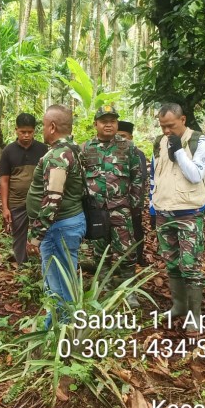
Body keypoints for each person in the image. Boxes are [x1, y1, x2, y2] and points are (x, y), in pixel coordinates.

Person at [151, 103, 205, 336]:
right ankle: (178, 306)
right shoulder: (159, 142)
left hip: (188, 213)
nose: (166, 131)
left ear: (183, 119)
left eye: (171, 126)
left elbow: (195, 176)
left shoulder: (199, 141)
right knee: (172, 263)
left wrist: (178, 151)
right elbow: (156, 174)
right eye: (162, 126)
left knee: (191, 266)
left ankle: (195, 317)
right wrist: (152, 206)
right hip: (163, 211)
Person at [26, 105, 85, 324]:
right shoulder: (74, 149)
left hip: (58, 226)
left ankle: (63, 332)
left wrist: (36, 235)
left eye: (43, 125)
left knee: (58, 281)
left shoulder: (58, 155)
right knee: (63, 278)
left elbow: (53, 198)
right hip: (68, 222)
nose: (42, 130)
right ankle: (58, 323)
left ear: (52, 127)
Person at [81, 106, 143, 289]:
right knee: (100, 250)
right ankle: (104, 286)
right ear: (96, 124)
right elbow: (79, 179)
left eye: (113, 121)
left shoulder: (128, 147)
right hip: (96, 210)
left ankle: (128, 288)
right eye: (104, 121)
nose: (109, 125)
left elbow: (137, 176)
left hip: (121, 207)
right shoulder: (85, 148)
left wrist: (135, 206)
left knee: (127, 249)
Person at [0, 113, 49, 266]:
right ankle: (22, 265)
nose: (26, 135)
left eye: (30, 132)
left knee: (42, 232)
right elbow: (4, 181)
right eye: (23, 132)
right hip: (16, 201)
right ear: (16, 130)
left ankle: (42, 264)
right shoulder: (8, 151)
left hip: (39, 200)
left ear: (34, 131)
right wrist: (5, 207)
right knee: (18, 234)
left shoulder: (43, 149)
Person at [117, 120, 148, 266]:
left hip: (133, 202)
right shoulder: (110, 153)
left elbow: (139, 178)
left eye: (124, 136)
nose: (121, 139)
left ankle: (139, 259)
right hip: (114, 203)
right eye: (118, 136)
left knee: (135, 230)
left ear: (131, 137)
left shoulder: (137, 153)